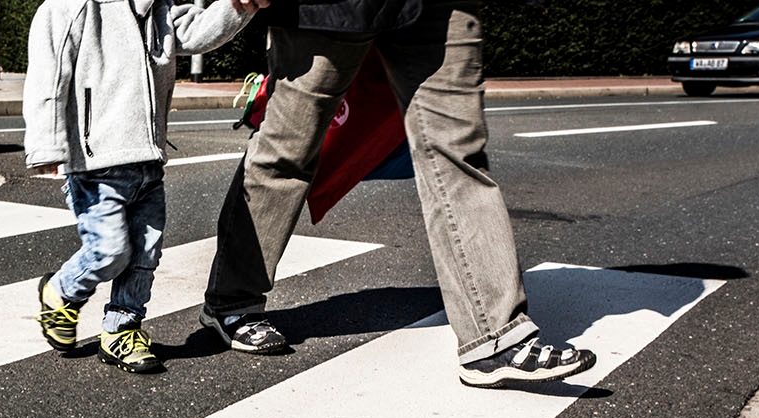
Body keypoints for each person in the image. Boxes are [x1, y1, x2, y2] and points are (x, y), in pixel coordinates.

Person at [203, 0, 596, 388]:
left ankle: (493, 338)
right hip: (326, 7)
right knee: (286, 150)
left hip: (438, 8)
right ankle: (232, 299)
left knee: (458, 154)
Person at [24, 0, 255, 374]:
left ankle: (121, 329)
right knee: (110, 251)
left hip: (148, 161)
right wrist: (46, 145)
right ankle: (62, 291)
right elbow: (47, 77)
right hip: (95, 164)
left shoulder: (159, 9)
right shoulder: (73, 6)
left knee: (145, 255)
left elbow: (197, 31)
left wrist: (238, 6)